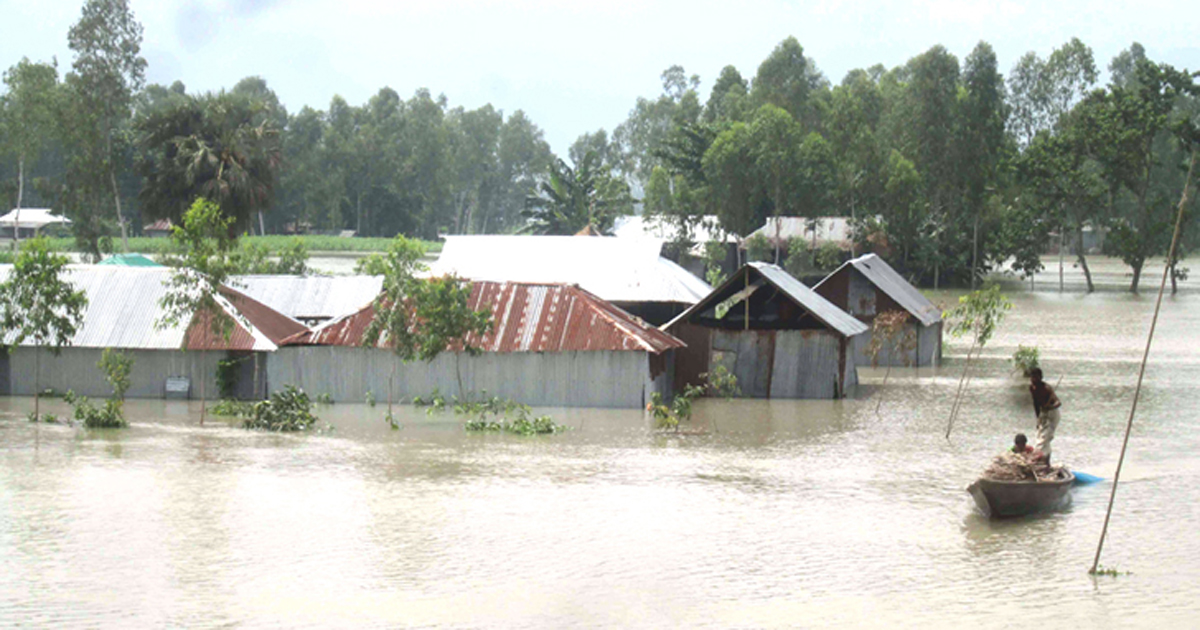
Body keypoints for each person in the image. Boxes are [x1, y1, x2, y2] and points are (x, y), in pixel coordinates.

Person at [1029, 367, 1061, 464]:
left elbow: (1058, 403)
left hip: (1052, 414)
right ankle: (1046, 463)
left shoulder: (1046, 388)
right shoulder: (1032, 388)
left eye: (1036, 377)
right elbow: (1035, 404)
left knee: (1044, 439)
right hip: (1043, 414)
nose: (1034, 380)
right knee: (1040, 436)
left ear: (1041, 377)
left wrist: (1050, 407)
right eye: (1032, 377)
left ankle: (1036, 460)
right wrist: (1038, 419)